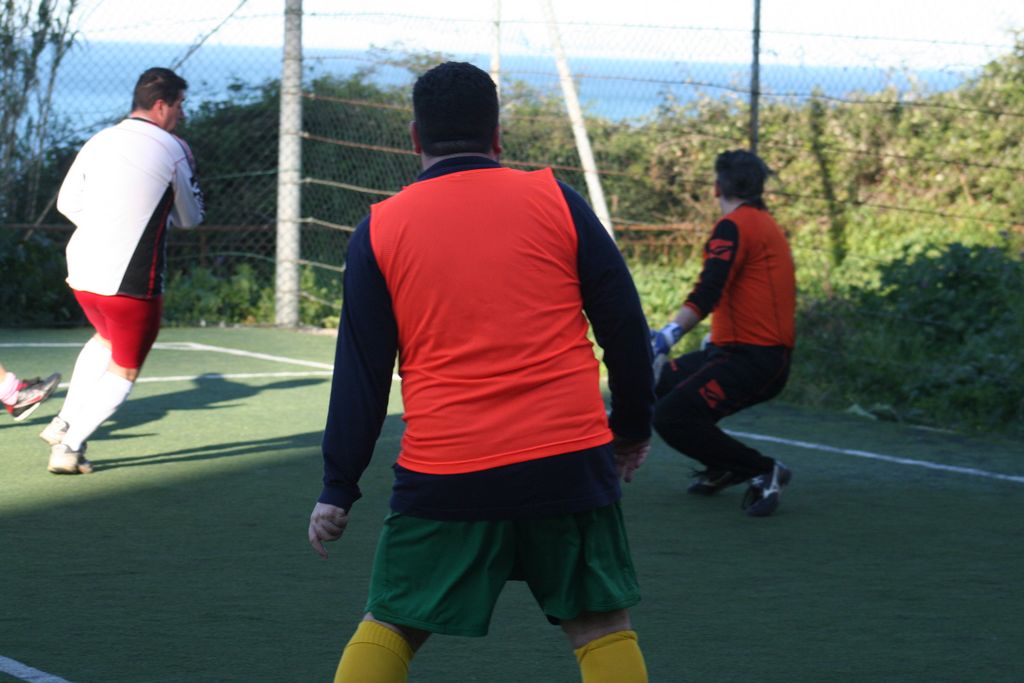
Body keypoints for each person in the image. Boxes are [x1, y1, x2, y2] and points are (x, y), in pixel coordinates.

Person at [307, 61, 655, 683]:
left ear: (415, 138)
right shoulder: (558, 200)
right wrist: (630, 428)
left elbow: (361, 375)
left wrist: (339, 484)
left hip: (448, 470)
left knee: (393, 621)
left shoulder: (379, 229)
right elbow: (626, 328)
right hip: (567, 459)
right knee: (601, 626)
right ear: (497, 136)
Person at [39, 67, 204, 475]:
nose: (182, 114)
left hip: (82, 270)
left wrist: (107, 224)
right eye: (180, 105)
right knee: (126, 367)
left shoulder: (100, 139)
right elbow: (191, 218)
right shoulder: (173, 148)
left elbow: (67, 203)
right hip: (131, 281)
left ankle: (62, 423)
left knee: (105, 339)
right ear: (162, 105)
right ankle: (69, 448)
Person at [649, 149, 796, 517]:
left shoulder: (734, 226)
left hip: (754, 358)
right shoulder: (763, 224)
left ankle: (762, 469)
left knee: (671, 416)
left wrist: (668, 335)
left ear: (716, 187)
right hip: (739, 351)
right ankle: (723, 465)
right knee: (661, 385)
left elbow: (709, 289)